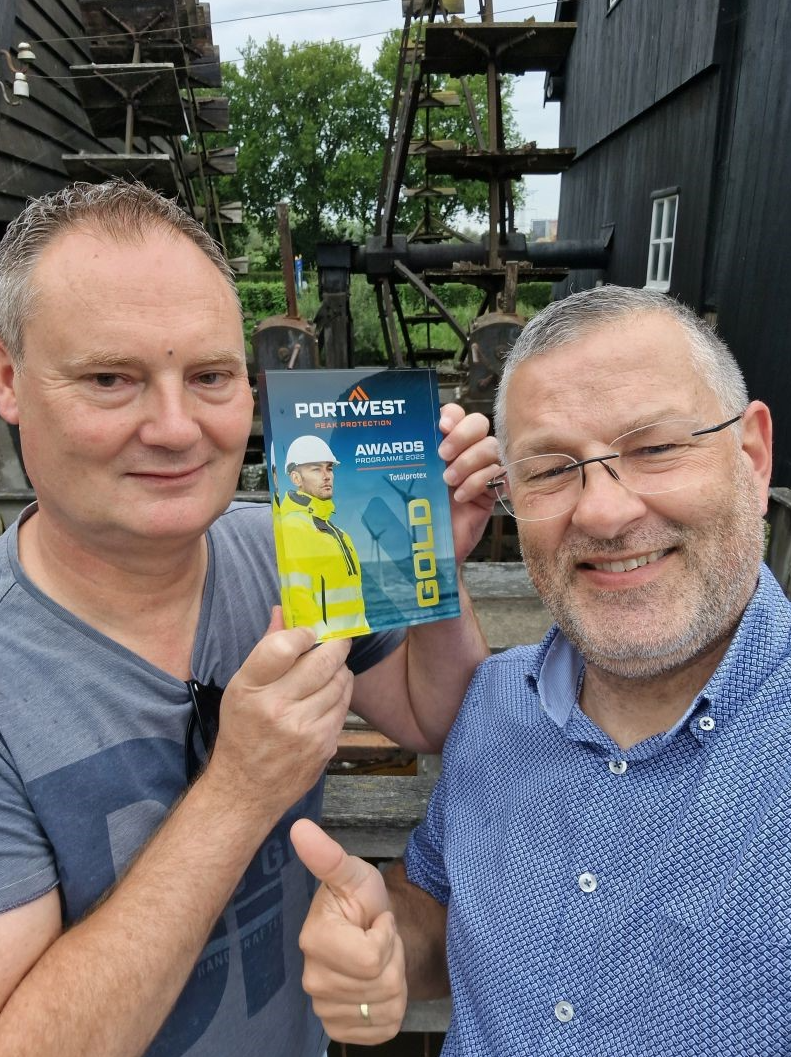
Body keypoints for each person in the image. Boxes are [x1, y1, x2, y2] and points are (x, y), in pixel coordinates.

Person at [0, 180, 500, 1057]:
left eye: (210, 377)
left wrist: (434, 577)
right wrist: (238, 790)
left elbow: (435, 716)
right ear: (10, 381)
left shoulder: (284, 546)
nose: (174, 426)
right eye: (111, 378)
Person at [292, 285, 785, 1056]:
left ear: (750, 457)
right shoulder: (494, 702)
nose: (603, 512)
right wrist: (385, 940)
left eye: (653, 447)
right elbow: (440, 905)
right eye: (551, 469)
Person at [278, 435, 369, 638]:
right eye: (316, 469)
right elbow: (298, 598)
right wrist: (324, 644)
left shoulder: (340, 534)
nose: (326, 475)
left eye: (329, 468)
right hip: (324, 648)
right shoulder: (293, 526)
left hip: (354, 644)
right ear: (296, 479)